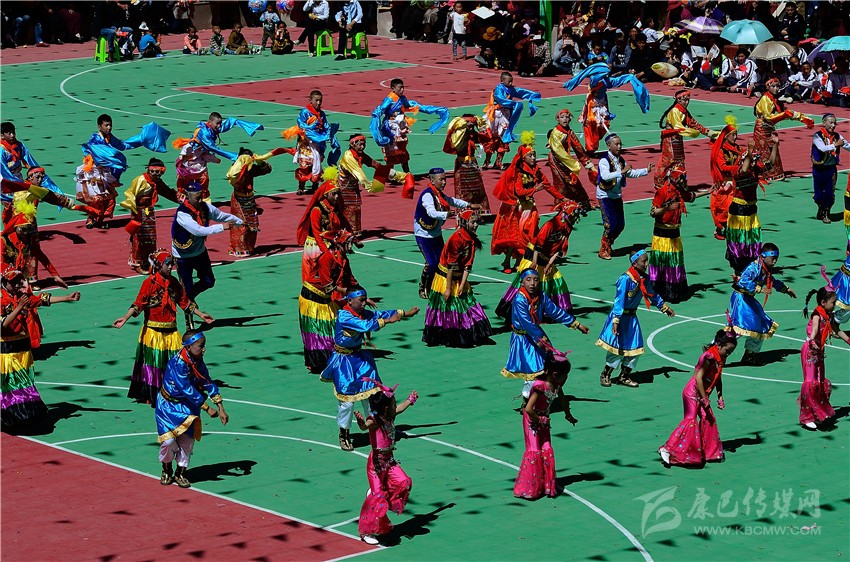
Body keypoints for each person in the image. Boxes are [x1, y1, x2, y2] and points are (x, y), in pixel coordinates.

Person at [319, 288, 419, 451]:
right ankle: (344, 434)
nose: (365, 303)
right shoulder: (344, 316)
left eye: (365, 299)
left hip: (361, 360)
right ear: (349, 300)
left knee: (372, 395)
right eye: (361, 300)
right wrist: (388, 321)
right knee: (347, 402)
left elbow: (381, 314)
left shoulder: (363, 313)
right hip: (344, 362)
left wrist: (405, 313)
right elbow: (365, 326)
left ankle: (375, 428)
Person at [113, 250, 214, 406]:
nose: (170, 266)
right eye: (167, 264)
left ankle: (179, 390)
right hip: (154, 333)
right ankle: (154, 395)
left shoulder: (174, 283)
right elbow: (139, 304)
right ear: (159, 265)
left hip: (171, 331)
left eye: (172, 263)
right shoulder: (149, 284)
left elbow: (184, 302)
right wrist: (125, 317)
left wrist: (201, 314)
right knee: (155, 366)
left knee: (178, 362)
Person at [1, 265, 80, 430]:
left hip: (23, 347)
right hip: (7, 349)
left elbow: (41, 300)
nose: (16, 284)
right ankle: (11, 415)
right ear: (4, 282)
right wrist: (19, 308)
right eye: (12, 282)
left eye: (18, 281)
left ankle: (25, 412)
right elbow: (3, 325)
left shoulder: (21, 296)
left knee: (25, 381)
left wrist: (67, 298)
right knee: (11, 383)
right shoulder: (2, 300)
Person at [155, 329, 229, 488]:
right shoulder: (178, 363)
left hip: (188, 406)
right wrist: (207, 408)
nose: (204, 349)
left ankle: (180, 472)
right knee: (168, 441)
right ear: (188, 347)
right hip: (168, 406)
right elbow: (186, 389)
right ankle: (166, 468)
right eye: (201, 346)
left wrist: (220, 407)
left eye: (204, 345)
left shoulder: (198, 361)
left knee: (187, 441)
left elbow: (207, 381)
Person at [501, 269, 589, 398]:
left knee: (544, 367)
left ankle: (538, 398)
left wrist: (576, 324)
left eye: (536, 280)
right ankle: (529, 401)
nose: (532, 283)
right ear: (522, 283)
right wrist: (541, 340)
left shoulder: (540, 296)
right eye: (528, 280)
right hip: (524, 339)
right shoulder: (520, 300)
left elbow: (554, 311)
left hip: (538, 336)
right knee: (533, 370)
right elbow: (527, 323)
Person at [596, 249, 675, 388]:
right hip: (620, 318)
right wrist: (616, 321)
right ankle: (605, 374)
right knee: (617, 349)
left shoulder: (645, 278)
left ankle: (624, 376)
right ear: (634, 263)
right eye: (644, 261)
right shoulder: (625, 279)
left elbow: (652, 295)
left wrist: (664, 307)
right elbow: (619, 301)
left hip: (632, 318)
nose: (646, 264)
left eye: (647, 261)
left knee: (636, 348)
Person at [658, 328, 736, 467]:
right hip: (693, 393)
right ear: (719, 345)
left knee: (709, 419)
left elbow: (718, 377)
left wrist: (720, 396)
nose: (728, 354)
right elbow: (698, 378)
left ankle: (708, 452)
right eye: (727, 350)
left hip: (703, 394)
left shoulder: (720, 358)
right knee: (690, 420)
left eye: (731, 352)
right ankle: (668, 449)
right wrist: (704, 398)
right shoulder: (709, 357)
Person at [496, 200, 585, 322]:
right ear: (566, 214)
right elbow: (538, 245)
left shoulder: (568, 227)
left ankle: (556, 312)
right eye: (574, 216)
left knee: (558, 283)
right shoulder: (550, 225)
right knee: (530, 284)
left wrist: (549, 264)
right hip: (534, 256)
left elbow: (559, 250)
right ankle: (519, 311)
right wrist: (534, 262)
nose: (576, 219)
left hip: (546, 258)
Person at [353, 383, 418, 545]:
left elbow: (401, 408)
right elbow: (365, 426)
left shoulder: (390, 416)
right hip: (376, 465)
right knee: (377, 498)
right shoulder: (375, 420)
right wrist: (361, 423)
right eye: (393, 402)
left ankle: (380, 497)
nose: (395, 404)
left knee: (404, 482)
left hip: (389, 461)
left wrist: (410, 400)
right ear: (386, 406)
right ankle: (367, 532)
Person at [170, 182, 243, 324]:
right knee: (187, 288)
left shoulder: (205, 207)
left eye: (201, 197)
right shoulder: (182, 213)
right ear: (188, 197)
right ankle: (189, 323)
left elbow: (221, 216)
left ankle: (187, 296)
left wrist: (240, 222)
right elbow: (198, 230)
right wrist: (221, 228)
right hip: (182, 257)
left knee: (209, 281)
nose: (200, 201)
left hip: (199, 252)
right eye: (197, 198)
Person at [491, 132, 563, 274]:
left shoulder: (536, 171)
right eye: (530, 156)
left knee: (528, 235)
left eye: (534, 155)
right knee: (514, 236)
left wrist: (562, 198)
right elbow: (519, 191)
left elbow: (547, 186)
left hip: (530, 207)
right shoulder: (518, 172)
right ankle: (507, 261)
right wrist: (535, 189)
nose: (534, 158)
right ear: (523, 157)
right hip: (517, 208)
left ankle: (519, 261)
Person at [422, 210, 492, 347]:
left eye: (476, 222)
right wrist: (448, 288)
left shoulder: (471, 239)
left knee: (467, 302)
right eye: (473, 222)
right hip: (446, 278)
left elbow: (468, 265)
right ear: (465, 223)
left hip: (459, 277)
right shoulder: (456, 239)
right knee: (449, 306)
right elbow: (450, 267)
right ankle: (451, 335)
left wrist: (463, 284)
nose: (476, 225)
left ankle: (470, 332)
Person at [513, 355, 577, 500]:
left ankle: (545, 485)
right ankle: (529, 489)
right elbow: (528, 409)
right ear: (555, 374)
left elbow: (562, 400)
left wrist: (568, 415)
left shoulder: (557, 384)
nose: (566, 378)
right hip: (532, 420)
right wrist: (540, 420)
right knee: (534, 450)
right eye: (564, 375)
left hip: (544, 419)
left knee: (546, 448)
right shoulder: (539, 386)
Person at [648, 163, 713, 304]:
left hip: (675, 233)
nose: (684, 181)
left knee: (675, 263)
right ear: (674, 178)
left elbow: (690, 196)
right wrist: (667, 208)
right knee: (662, 262)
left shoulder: (679, 191)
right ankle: (658, 292)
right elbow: (653, 212)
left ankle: (673, 291)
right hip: (662, 235)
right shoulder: (662, 192)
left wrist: (707, 192)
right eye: (681, 178)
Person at [299, 228, 358, 374]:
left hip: (324, 297)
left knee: (331, 326)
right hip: (312, 296)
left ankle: (331, 358)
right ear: (340, 244)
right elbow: (328, 285)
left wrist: (362, 294)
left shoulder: (344, 259)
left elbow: (350, 280)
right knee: (317, 330)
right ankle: (319, 362)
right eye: (348, 243)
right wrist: (348, 293)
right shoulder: (327, 257)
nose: (350, 246)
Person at [729, 243, 797, 365]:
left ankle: (749, 355)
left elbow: (772, 281)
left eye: (776, 258)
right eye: (772, 258)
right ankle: (715, 348)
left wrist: (785, 289)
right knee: (739, 327)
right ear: (763, 256)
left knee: (759, 325)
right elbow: (743, 281)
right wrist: (760, 289)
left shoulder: (765, 269)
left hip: (748, 299)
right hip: (740, 298)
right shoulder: (753, 268)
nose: (775, 261)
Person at [413, 167, 476, 299]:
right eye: (441, 180)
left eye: (445, 179)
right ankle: (423, 286)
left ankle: (437, 285)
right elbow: (431, 212)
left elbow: (452, 201)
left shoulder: (439, 195)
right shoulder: (427, 195)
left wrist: (468, 205)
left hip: (436, 233)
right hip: (423, 234)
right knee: (431, 263)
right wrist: (446, 214)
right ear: (432, 180)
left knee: (442, 262)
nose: (444, 182)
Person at [370, 78, 449, 177]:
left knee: (402, 148)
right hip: (391, 127)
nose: (402, 90)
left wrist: (418, 107)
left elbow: (407, 106)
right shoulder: (389, 99)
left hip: (400, 126)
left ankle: (407, 173)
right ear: (393, 88)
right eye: (400, 87)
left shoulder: (402, 98)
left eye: (403, 87)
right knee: (391, 151)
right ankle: (390, 174)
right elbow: (381, 110)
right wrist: (376, 117)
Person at [725, 134, 779, 274]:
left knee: (753, 237)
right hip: (739, 210)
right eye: (753, 160)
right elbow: (744, 169)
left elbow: (771, 164)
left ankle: (751, 263)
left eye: (755, 160)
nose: (755, 163)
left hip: (751, 209)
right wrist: (749, 151)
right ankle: (739, 267)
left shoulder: (755, 169)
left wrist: (775, 145)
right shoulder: (738, 172)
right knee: (740, 239)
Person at [172, 112, 263, 196]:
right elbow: (213, 148)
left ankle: (203, 200)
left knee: (203, 180)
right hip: (190, 157)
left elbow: (231, 121)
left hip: (201, 157)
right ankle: (184, 199)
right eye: (217, 123)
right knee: (186, 182)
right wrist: (234, 156)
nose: (219, 126)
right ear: (210, 122)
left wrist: (251, 126)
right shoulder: (204, 132)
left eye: (220, 123)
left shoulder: (214, 127)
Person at [799, 286, 850, 430]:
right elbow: (815, 329)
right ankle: (806, 417)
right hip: (810, 351)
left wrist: (849, 341)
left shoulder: (828, 316)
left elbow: (837, 331)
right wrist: (812, 341)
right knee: (810, 382)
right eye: (833, 302)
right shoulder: (817, 315)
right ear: (823, 302)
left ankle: (816, 413)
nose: (835, 305)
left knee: (820, 382)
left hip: (819, 352)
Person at [597, 133, 654, 260]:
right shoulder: (604, 161)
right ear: (609, 146)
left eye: (620, 144)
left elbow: (630, 173)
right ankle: (603, 249)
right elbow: (605, 176)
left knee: (620, 225)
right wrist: (621, 171)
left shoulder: (621, 160)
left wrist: (646, 170)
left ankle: (608, 245)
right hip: (605, 196)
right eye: (616, 144)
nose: (619, 147)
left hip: (617, 195)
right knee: (610, 225)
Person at [336, 134, 405, 237]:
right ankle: (346, 231)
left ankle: (355, 232)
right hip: (344, 186)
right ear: (353, 145)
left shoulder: (360, 155)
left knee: (356, 207)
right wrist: (370, 187)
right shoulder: (348, 157)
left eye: (363, 144)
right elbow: (360, 176)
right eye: (360, 145)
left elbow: (377, 165)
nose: (362, 147)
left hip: (353, 185)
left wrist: (399, 176)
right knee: (348, 207)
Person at [225, 146, 287, 257]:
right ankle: (238, 248)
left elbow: (267, 170)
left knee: (251, 224)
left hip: (249, 199)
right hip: (238, 200)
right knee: (239, 224)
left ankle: (249, 247)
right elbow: (232, 176)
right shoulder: (235, 168)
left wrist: (260, 161)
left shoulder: (251, 168)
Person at [120, 158, 179, 273]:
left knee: (150, 238)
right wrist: (133, 208)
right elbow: (130, 193)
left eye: (158, 172)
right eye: (153, 171)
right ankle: (137, 263)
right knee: (138, 238)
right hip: (138, 211)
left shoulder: (157, 182)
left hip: (149, 211)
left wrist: (185, 200)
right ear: (149, 170)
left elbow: (168, 192)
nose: (155, 174)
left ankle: (147, 261)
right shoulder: (140, 180)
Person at [752, 78, 815, 181]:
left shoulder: (774, 99)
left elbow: (785, 113)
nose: (776, 88)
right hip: (762, 128)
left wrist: (803, 118)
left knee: (773, 149)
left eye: (777, 86)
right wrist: (785, 115)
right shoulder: (765, 99)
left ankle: (774, 173)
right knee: (764, 151)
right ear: (768, 87)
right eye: (773, 86)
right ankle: (763, 173)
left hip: (769, 127)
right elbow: (768, 117)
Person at [654, 90, 715, 189]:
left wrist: (711, 134)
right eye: (685, 100)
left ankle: (679, 183)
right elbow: (678, 127)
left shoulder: (684, 111)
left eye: (688, 100)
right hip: (669, 140)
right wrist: (692, 132)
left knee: (680, 161)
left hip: (677, 139)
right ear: (678, 100)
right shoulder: (675, 111)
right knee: (668, 161)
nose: (687, 103)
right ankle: (660, 184)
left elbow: (695, 124)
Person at [1, 121, 65, 206]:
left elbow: (30, 162)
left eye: (13, 132)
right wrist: (21, 185)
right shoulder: (1, 150)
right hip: (5, 181)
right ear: (2, 136)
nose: (12, 135)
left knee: (22, 203)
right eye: (9, 133)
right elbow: (4, 171)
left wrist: (38, 173)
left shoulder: (19, 146)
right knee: (10, 204)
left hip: (17, 176)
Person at [546, 109, 597, 211]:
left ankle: (583, 203)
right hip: (556, 160)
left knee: (573, 181)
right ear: (558, 119)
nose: (565, 119)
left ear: (570, 119)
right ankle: (562, 205)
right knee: (561, 183)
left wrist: (588, 165)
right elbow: (558, 151)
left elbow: (578, 148)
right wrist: (574, 165)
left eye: (567, 117)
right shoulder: (555, 133)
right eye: (562, 117)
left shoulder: (570, 132)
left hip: (566, 160)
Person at [442, 114, 490, 216]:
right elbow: (455, 146)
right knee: (463, 191)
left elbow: (487, 139)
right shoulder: (458, 137)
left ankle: (481, 213)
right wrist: (463, 130)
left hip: (472, 164)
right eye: (469, 126)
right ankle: (464, 213)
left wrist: (479, 125)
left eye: (472, 126)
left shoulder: (474, 135)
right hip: (462, 164)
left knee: (478, 190)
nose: (471, 128)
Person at [484, 72, 541, 148]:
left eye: (511, 81)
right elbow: (501, 100)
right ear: (502, 81)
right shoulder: (499, 89)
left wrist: (532, 95)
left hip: (505, 113)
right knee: (493, 131)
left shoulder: (510, 89)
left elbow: (520, 92)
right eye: (509, 82)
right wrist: (514, 104)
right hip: (497, 113)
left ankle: (501, 148)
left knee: (504, 130)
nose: (511, 83)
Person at [708, 116, 742, 241]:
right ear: (726, 136)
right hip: (723, 184)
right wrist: (738, 168)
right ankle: (720, 229)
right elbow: (723, 167)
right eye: (733, 135)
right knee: (724, 208)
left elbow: (743, 156)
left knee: (734, 207)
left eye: (736, 134)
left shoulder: (737, 148)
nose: (735, 137)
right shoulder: (720, 150)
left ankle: (731, 229)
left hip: (735, 183)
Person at [811, 114, 845, 223]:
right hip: (818, 169)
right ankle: (820, 207)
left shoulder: (837, 136)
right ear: (824, 123)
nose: (833, 125)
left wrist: (839, 143)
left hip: (831, 170)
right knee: (818, 195)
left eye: (835, 123)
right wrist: (836, 145)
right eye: (831, 122)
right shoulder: (817, 136)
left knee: (830, 194)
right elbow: (822, 148)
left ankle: (826, 213)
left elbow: (847, 145)